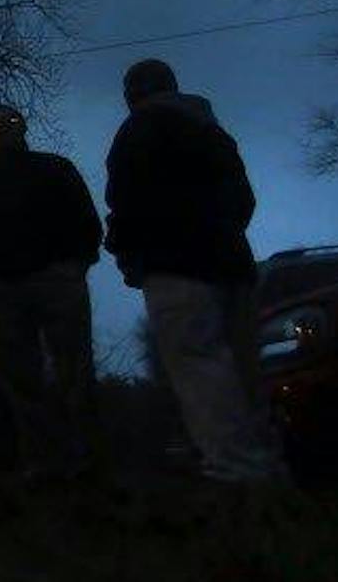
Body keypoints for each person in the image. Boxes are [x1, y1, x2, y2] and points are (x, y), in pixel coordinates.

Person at [104, 58, 286, 485]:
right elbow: (244, 200)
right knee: (244, 369)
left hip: (175, 270)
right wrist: (219, 234)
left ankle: (236, 473)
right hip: (231, 266)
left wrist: (127, 251)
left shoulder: (136, 132)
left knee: (199, 366)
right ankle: (269, 466)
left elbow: (125, 204)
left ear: (132, 94)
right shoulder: (212, 131)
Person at [0, 105, 105, 480]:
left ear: (22, 128)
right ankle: (41, 462)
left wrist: (75, 264)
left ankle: (84, 459)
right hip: (3, 290)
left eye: (8, 123)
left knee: (73, 369)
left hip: (55, 279)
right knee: (19, 377)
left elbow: (87, 220)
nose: (0, 130)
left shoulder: (56, 168)